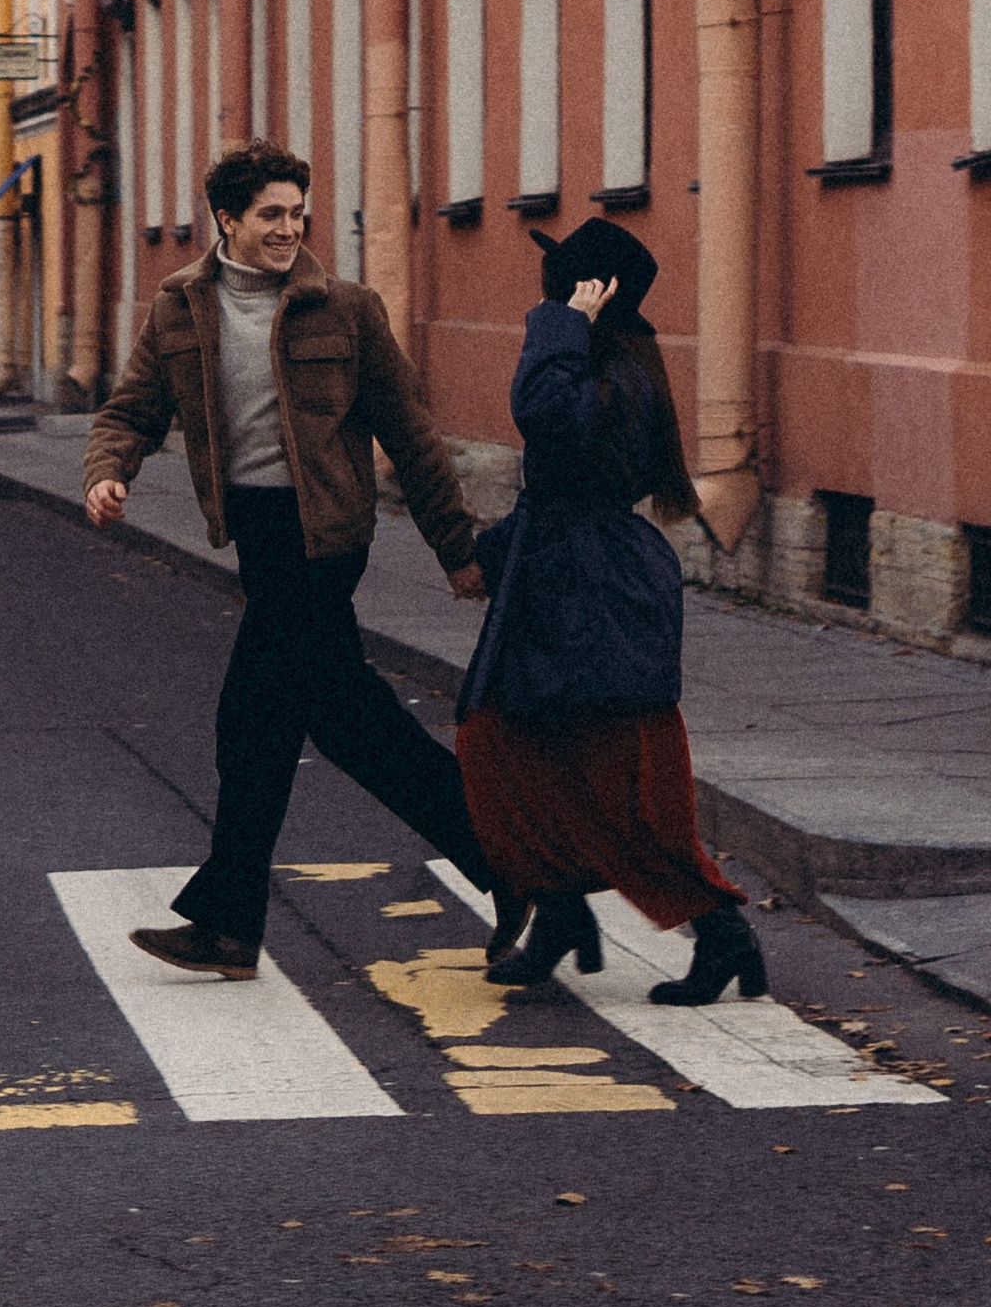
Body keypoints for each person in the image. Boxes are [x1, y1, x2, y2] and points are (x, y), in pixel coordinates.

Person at [82, 141, 499, 976]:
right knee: (344, 725)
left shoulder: (344, 309)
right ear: (227, 219)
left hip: (324, 544)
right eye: (270, 213)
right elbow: (130, 410)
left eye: (296, 212)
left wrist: (456, 547)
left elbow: (411, 435)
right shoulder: (178, 308)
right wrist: (107, 473)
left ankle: (230, 920)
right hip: (260, 539)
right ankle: (527, 875)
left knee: (252, 722)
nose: (288, 228)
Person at [455, 224, 766, 1005]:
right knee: (501, 746)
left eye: (558, 286)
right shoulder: (598, 363)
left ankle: (723, 936)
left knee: (622, 784)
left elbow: (539, 413)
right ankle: (559, 914)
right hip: (555, 580)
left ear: (592, 294)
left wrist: (564, 325)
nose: (544, 298)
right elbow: (553, 483)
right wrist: (490, 552)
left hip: (592, 598)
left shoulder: (612, 372)